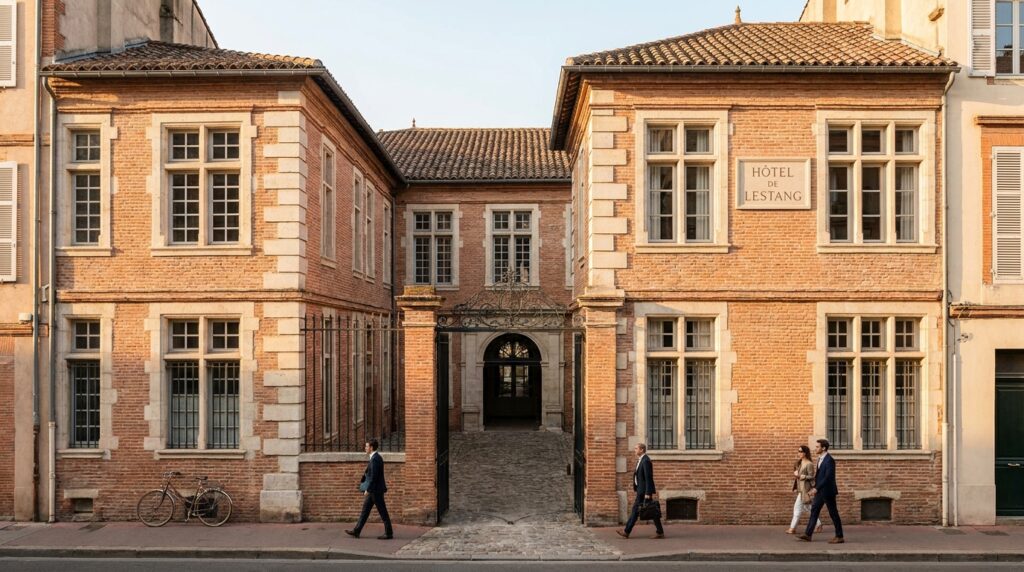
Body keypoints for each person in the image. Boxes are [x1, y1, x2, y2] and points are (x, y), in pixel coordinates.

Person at [345, 438, 394, 540]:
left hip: (375, 491)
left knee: (383, 512)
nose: (365, 448)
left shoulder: (375, 459)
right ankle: (357, 531)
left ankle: (389, 533)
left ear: (371, 447)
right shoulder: (375, 457)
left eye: (366, 446)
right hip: (374, 490)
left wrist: (368, 489)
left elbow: (374, 477)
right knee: (365, 511)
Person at [797, 439, 844, 544]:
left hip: (828, 492)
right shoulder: (820, 459)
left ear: (823, 448)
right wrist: (815, 485)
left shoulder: (829, 460)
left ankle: (839, 536)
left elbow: (828, 477)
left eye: (818, 447)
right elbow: (819, 476)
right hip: (820, 491)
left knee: (833, 513)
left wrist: (816, 488)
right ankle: (808, 534)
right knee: (814, 510)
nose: (816, 448)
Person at [616, 443, 665, 539]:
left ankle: (627, 531)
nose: (634, 450)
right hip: (641, 490)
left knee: (640, 510)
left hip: (644, 491)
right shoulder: (641, 460)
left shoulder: (646, 461)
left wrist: (648, 492)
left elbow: (648, 477)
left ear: (642, 450)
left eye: (636, 448)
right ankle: (659, 531)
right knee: (649, 510)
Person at [787, 445, 822, 534]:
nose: (799, 453)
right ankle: (818, 525)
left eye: (800, 451)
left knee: (797, 508)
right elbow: (797, 477)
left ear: (805, 453)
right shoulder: (799, 463)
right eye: (798, 451)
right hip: (800, 489)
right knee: (808, 508)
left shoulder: (809, 464)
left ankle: (792, 528)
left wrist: (801, 476)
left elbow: (812, 477)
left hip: (806, 489)